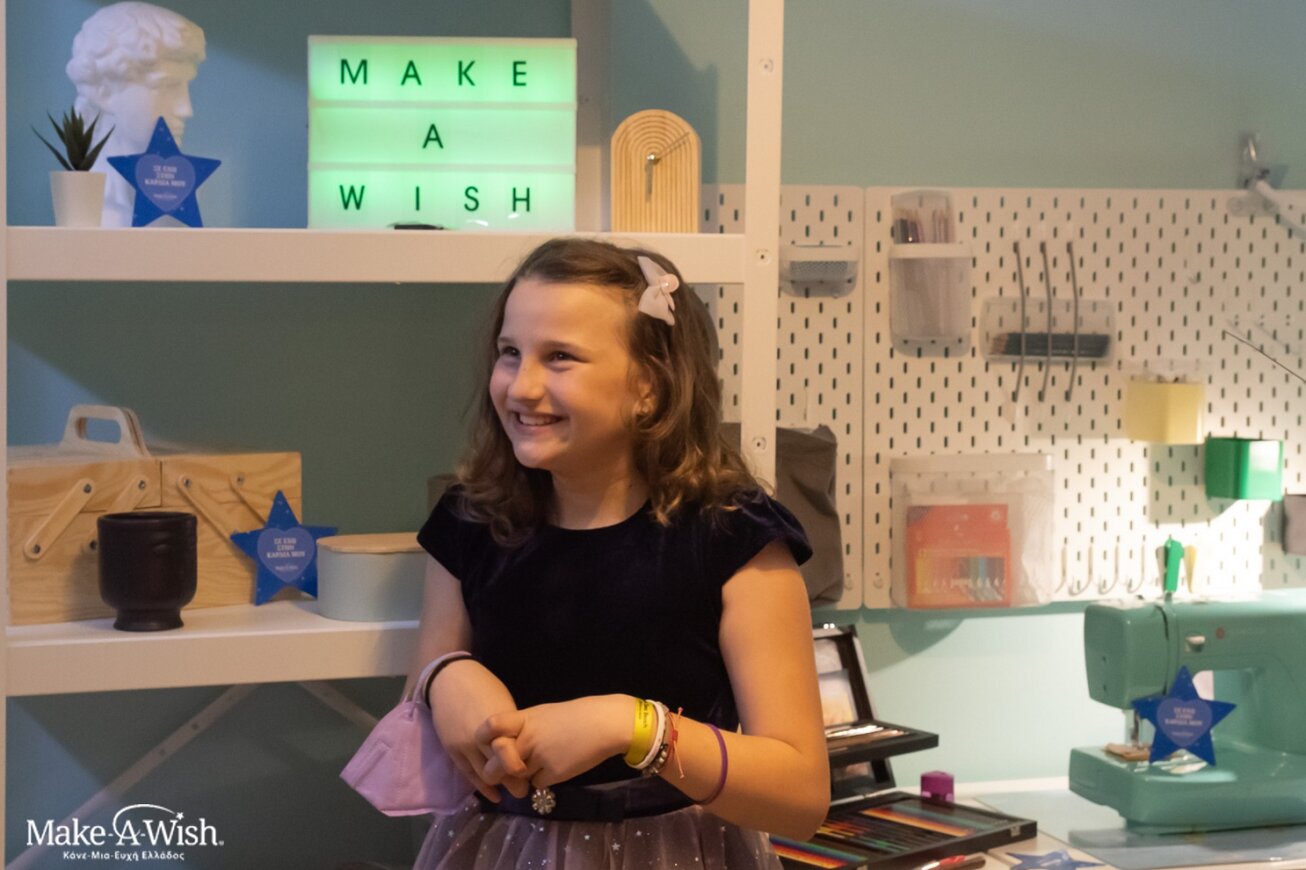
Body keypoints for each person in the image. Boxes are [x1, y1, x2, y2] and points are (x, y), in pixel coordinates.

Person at [408, 238, 829, 868]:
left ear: (649, 386)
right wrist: (443, 678)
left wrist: (633, 728)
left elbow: (800, 795)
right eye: (509, 352)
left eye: (560, 357)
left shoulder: (732, 538)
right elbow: (416, 706)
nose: (521, 386)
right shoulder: (471, 521)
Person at [65, 2, 205, 227]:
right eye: (167, 87)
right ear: (105, 92)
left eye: (185, 88)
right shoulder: (89, 202)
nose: (186, 109)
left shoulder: (180, 196)